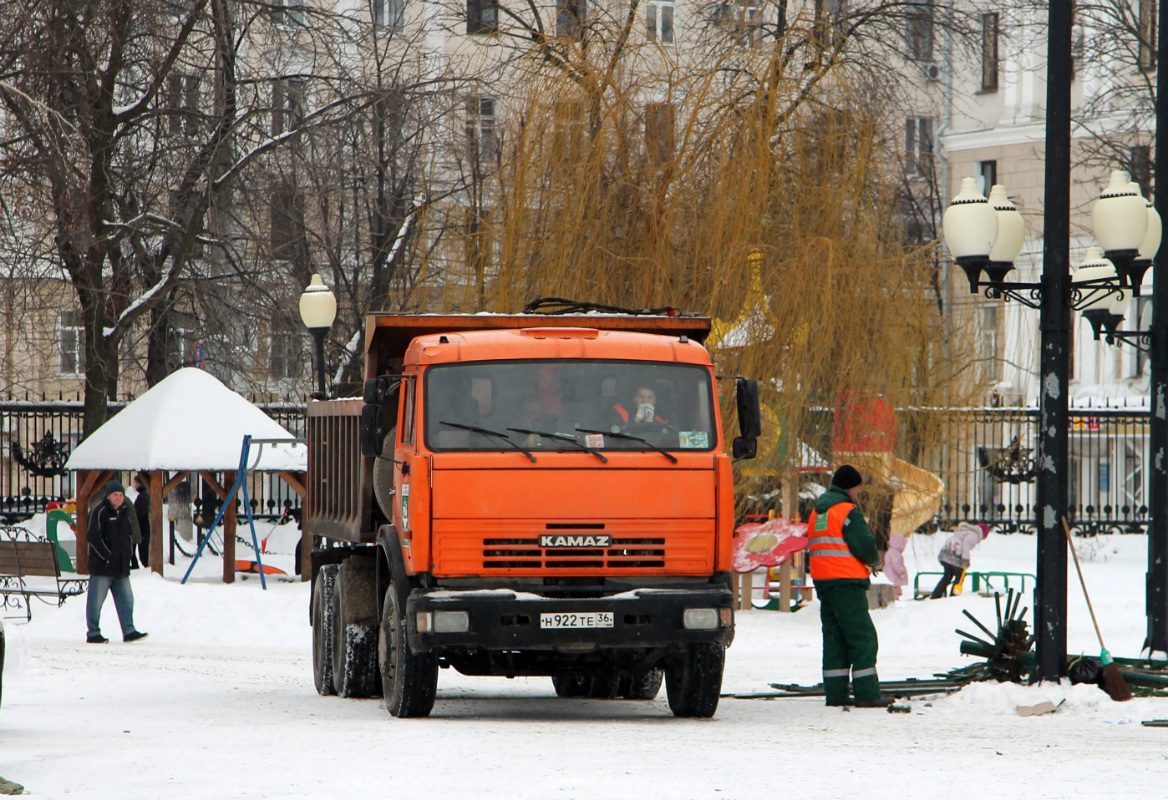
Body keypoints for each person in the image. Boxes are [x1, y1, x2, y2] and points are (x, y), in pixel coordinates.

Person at [807, 465, 892, 708]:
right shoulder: (846, 510)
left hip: (824, 583)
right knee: (862, 636)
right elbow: (864, 544)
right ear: (849, 486)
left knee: (834, 637)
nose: (858, 493)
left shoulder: (818, 512)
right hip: (846, 582)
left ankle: (836, 694)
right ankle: (867, 693)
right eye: (857, 488)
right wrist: (874, 560)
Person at [85, 479, 148, 644]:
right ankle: (93, 633)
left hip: (121, 567)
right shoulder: (98, 512)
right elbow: (92, 537)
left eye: (121, 495)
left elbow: (128, 536)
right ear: (108, 496)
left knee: (127, 599)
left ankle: (129, 630)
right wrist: (107, 556)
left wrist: (127, 557)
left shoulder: (125, 511)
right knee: (96, 601)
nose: (119, 498)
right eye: (115, 495)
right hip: (102, 567)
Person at [930, 522, 989, 599]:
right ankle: (954, 597)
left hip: (945, 553)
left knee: (948, 576)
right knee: (960, 575)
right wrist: (966, 560)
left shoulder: (964, 531)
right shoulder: (974, 534)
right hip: (954, 555)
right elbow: (966, 545)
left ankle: (936, 595)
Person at [131, 472, 151, 569]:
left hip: (142, 528)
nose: (135, 486)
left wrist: (134, 519)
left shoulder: (144, 496)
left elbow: (141, 513)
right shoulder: (142, 496)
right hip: (140, 528)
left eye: (136, 483)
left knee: (143, 551)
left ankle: (142, 566)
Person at [883, 533, 908, 601]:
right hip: (894, 575)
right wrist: (901, 571)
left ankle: (894, 598)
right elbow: (896, 564)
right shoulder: (895, 553)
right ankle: (895, 599)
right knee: (895, 589)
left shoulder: (890, 551)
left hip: (889, 575)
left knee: (894, 588)